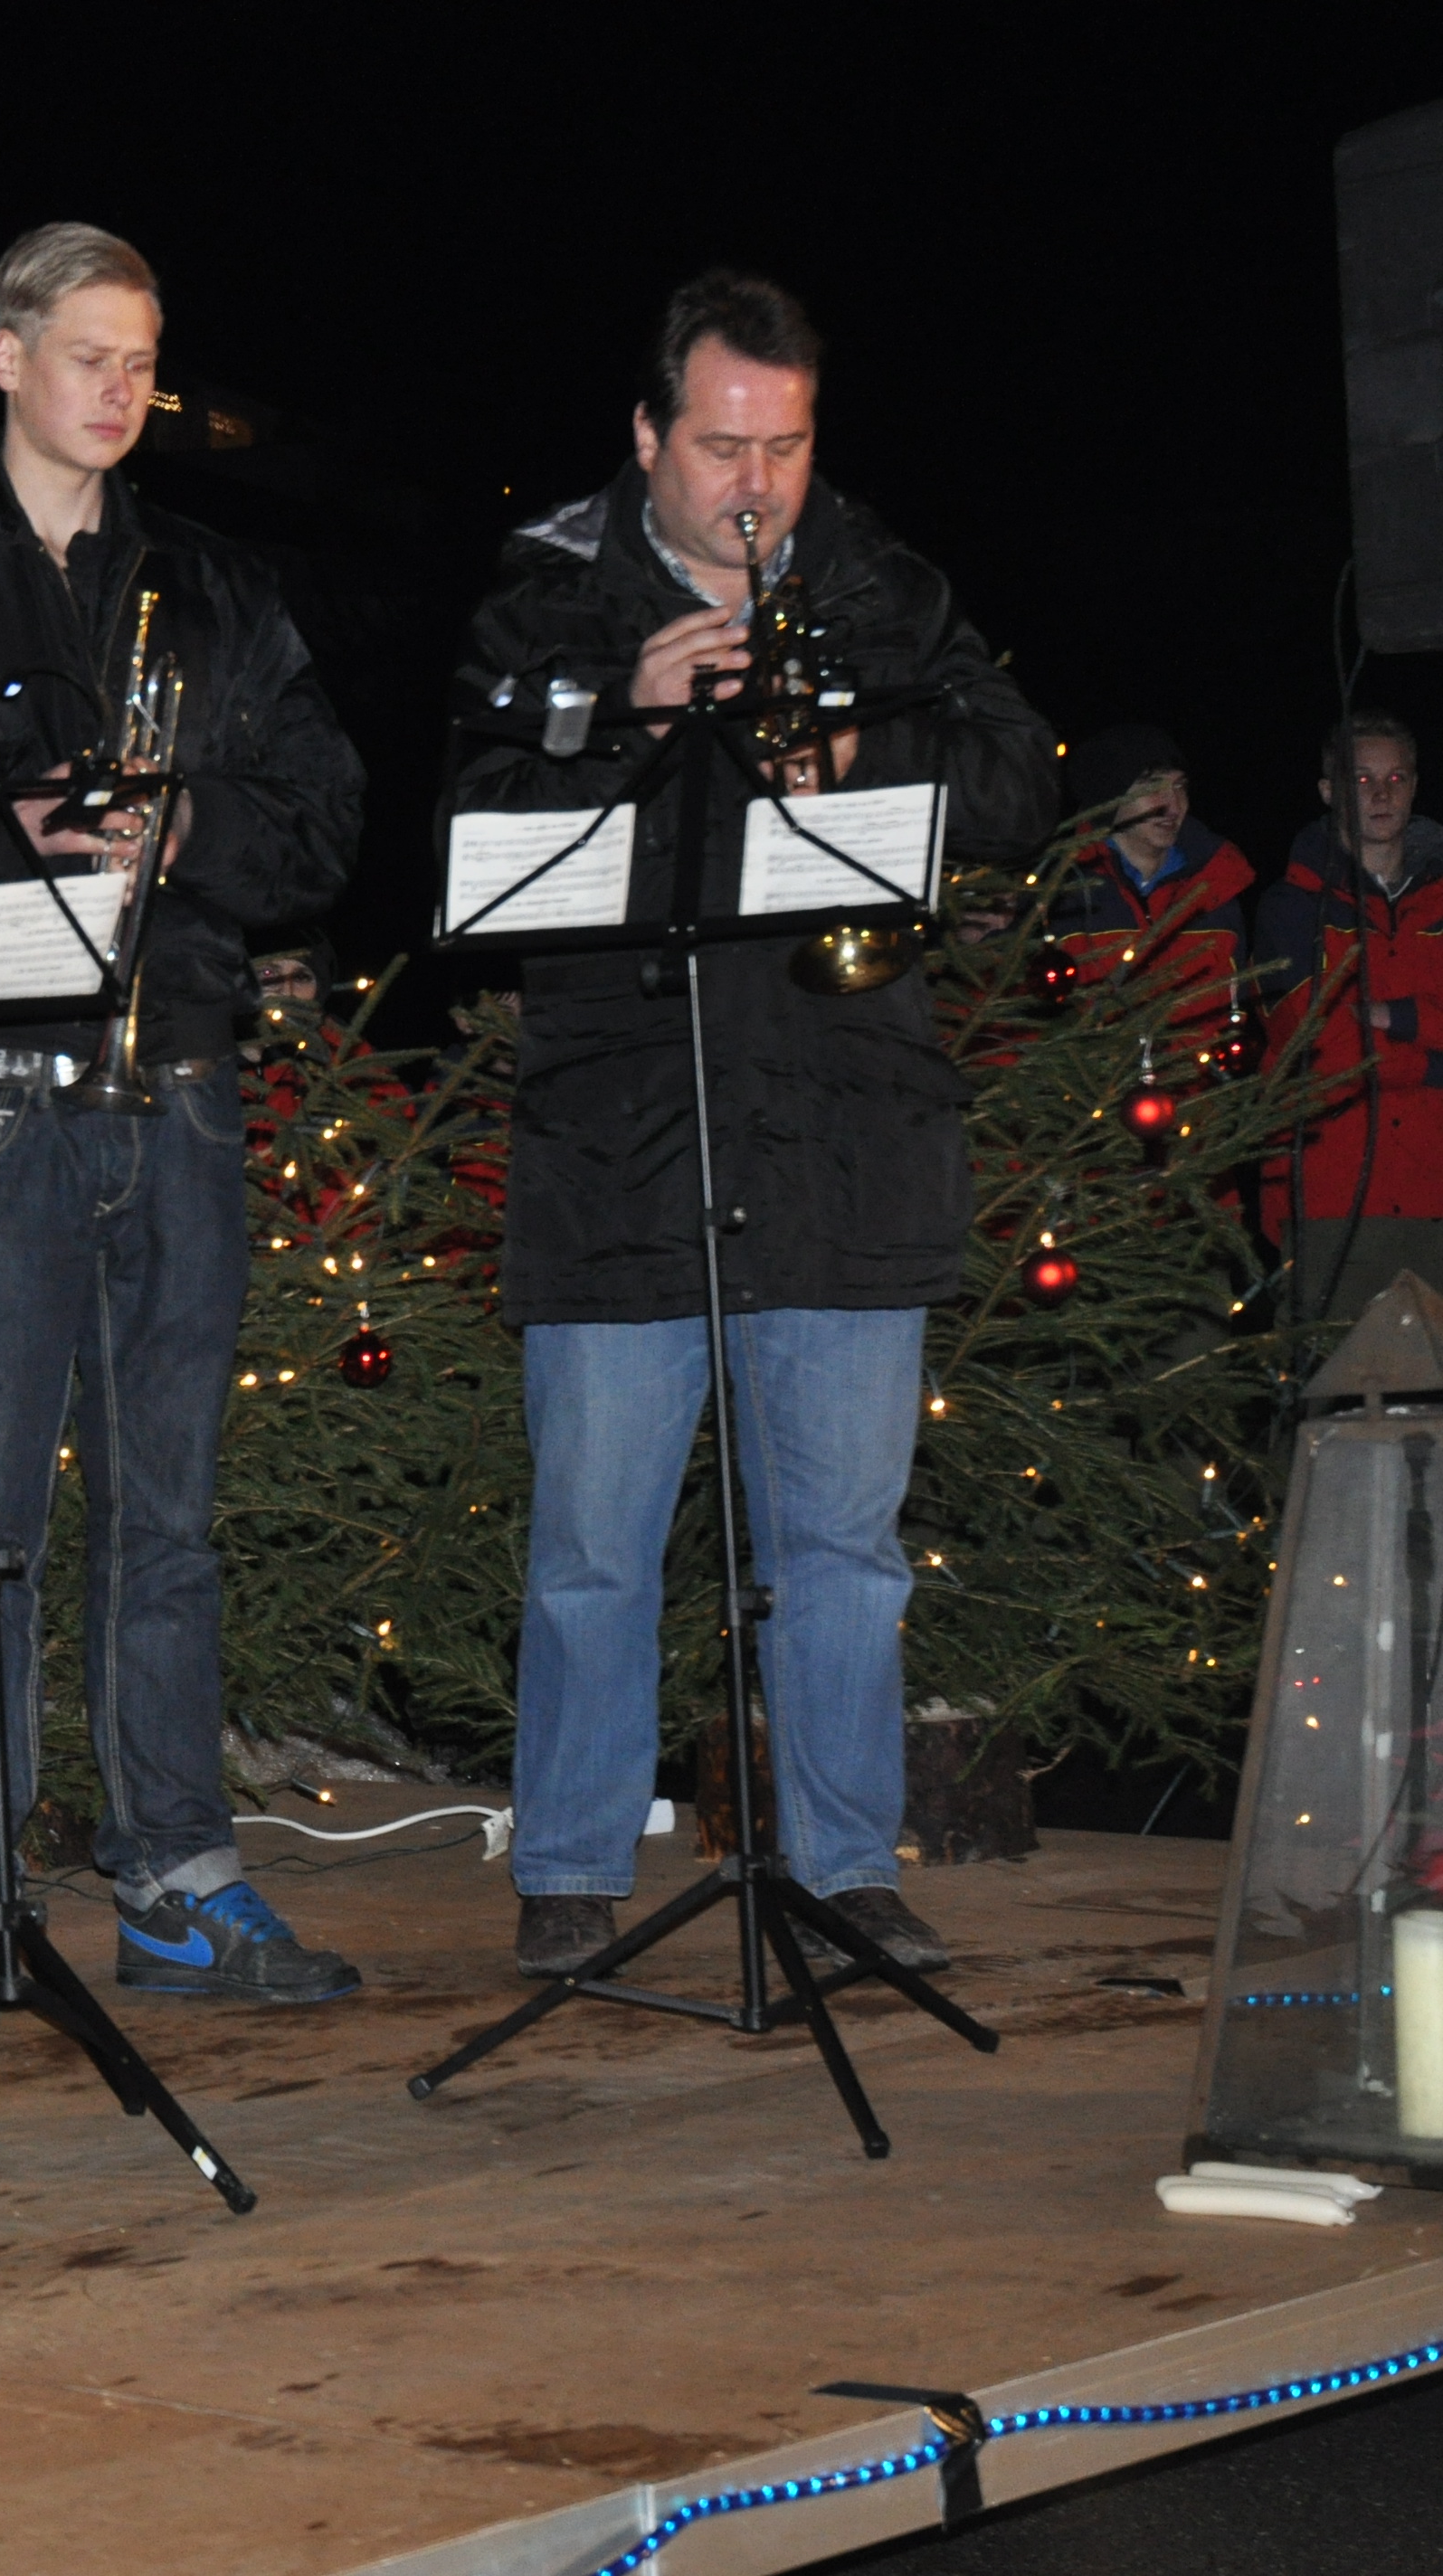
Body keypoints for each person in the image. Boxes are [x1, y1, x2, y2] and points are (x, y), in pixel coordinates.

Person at [0, 222, 365, 2026]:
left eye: (142, 362)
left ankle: (174, 1872)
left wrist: (181, 829)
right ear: (3, 357)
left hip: (175, 1084)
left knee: (166, 1514)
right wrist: (3, 829)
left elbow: (324, 813)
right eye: (89, 354)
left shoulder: (213, 587)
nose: (121, 389)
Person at [452, 270, 1050, 1983]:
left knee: (842, 1549)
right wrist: (620, 722)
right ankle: (572, 1869)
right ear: (648, 435)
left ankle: (849, 1868)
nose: (755, 486)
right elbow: (468, 838)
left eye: (783, 448)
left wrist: (864, 745)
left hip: (844, 1127)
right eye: (721, 447)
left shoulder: (879, 585)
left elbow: (1019, 778)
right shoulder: (545, 606)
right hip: (620, 1138)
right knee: (593, 1548)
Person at [1253, 713, 1443, 1326]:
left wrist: (1395, 1016)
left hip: (1436, 1200)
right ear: (1328, 791)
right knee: (1335, 1379)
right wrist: (1434, 1065)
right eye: (1361, 780)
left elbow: (1357, 1040)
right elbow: (1322, 1049)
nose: (1381, 793)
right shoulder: (1292, 908)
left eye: (1395, 777)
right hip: (1332, 1206)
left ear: (1415, 786)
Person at [1048, 724, 1253, 1019]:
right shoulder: (1061, 896)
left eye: (1179, 786)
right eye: (1153, 787)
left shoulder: (1214, 887)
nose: (1173, 806)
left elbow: (1235, 1015)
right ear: (1111, 796)